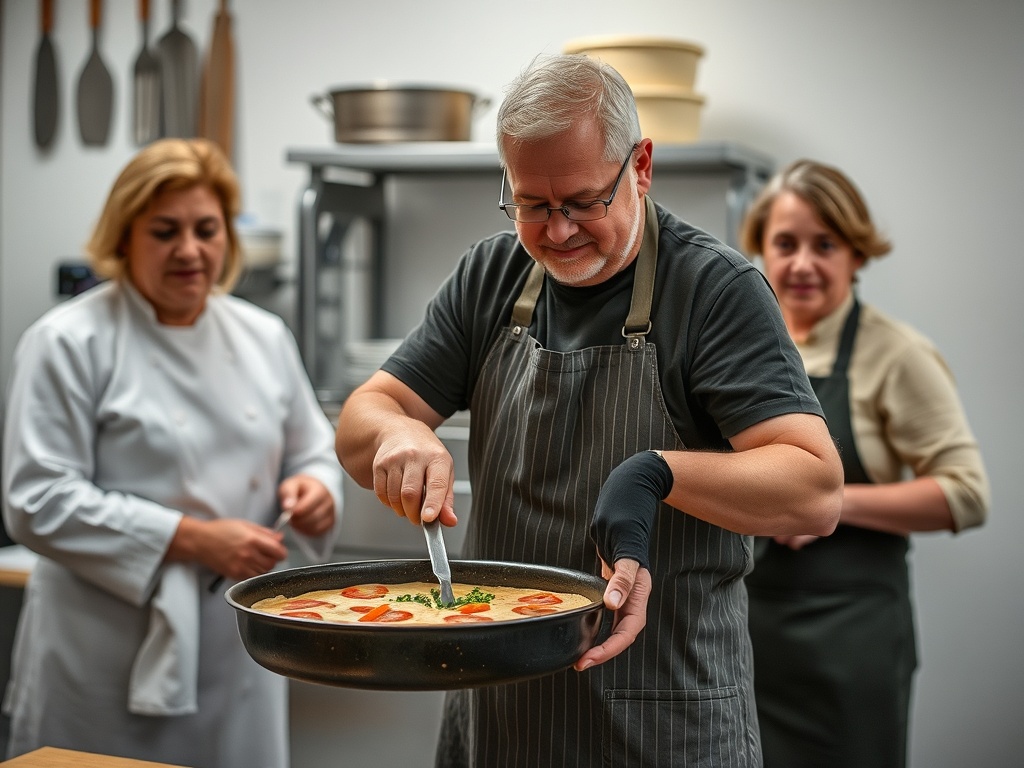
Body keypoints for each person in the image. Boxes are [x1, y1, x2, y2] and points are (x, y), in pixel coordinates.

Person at [336, 54, 843, 767]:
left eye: (581, 201)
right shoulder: (491, 275)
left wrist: (655, 473)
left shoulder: (713, 291)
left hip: (661, 718)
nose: (558, 231)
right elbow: (366, 413)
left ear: (640, 167)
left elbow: (815, 490)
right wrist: (395, 432)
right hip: (501, 715)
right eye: (531, 206)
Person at [1, 138, 343, 767]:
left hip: (238, 643)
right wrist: (192, 538)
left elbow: (312, 451)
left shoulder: (262, 335)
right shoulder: (68, 341)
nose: (190, 250)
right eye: (165, 231)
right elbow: (38, 501)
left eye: (206, 229)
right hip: (107, 647)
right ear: (124, 237)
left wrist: (317, 492)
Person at [739, 159, 990, 768]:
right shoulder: (744, 350)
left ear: (857, 253)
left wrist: (828, 502)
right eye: (785, 244)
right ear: (761, 251)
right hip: (745, 637)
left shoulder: (896, 354)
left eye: (825, 245)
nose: (802, 264)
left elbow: (966, 495)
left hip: (848, 648)